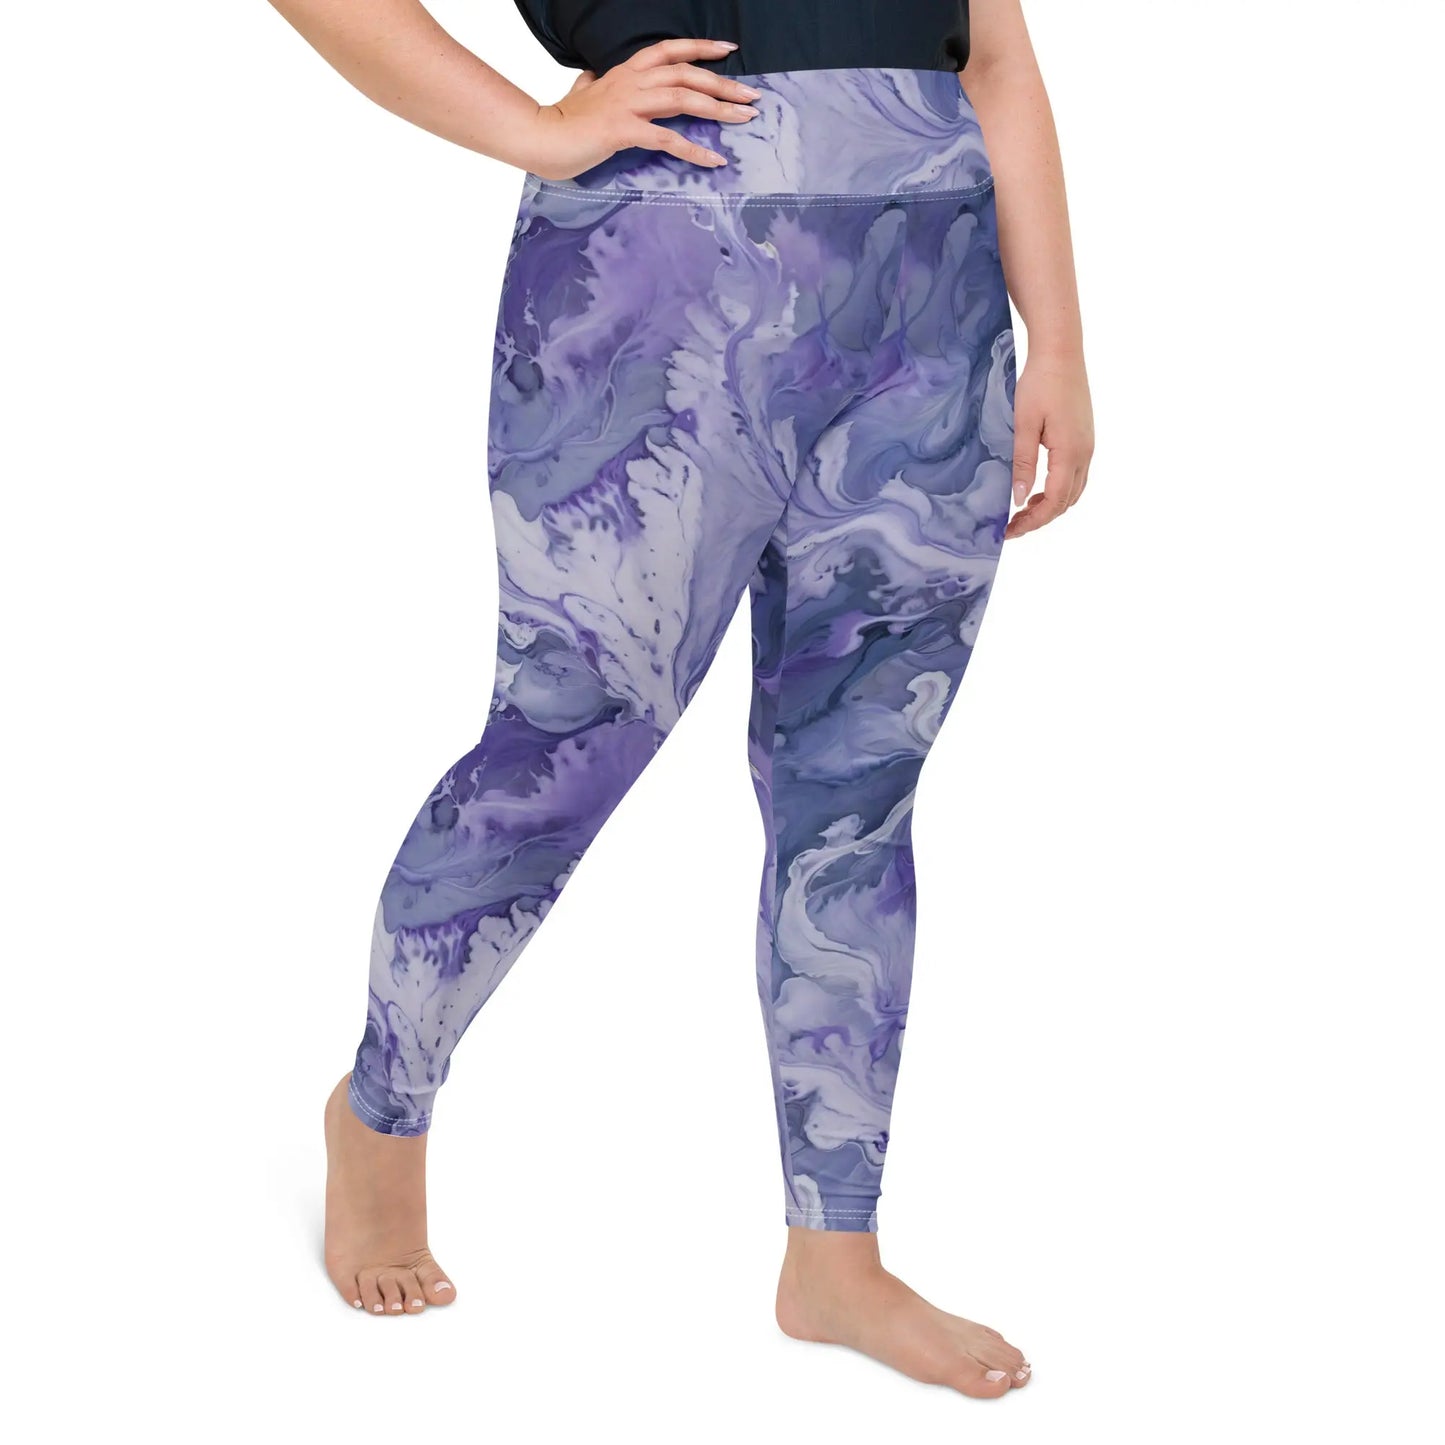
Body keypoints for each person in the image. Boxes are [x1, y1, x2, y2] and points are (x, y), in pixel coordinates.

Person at [271, 0, 1092, 1397]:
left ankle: (834, 1257)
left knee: (856, 791)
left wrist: (1054, 337)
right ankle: (384, 1112)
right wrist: (537, 130)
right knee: (561, 747)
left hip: (929, 309)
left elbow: (998, 55)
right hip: (652, 284)